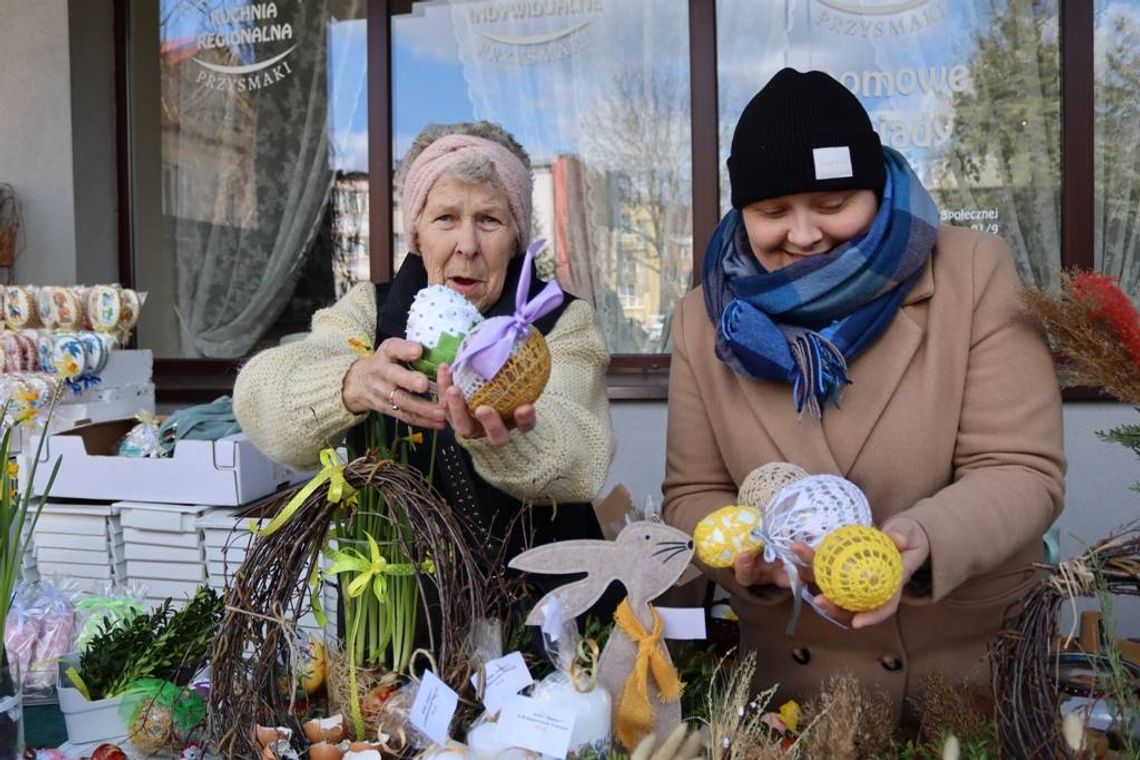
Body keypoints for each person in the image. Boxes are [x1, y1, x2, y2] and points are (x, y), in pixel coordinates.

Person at [662, 69, 1065, 718]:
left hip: (962, 678)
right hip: (798, 691)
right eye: (772, 211)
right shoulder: (702, 318)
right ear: (743, 212)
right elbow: (690, 494)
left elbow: (1021, 469)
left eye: (832, 204)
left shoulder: (971, 274)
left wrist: (916, 543)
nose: (803, 234)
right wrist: (744, 556)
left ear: (876, 191)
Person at [234, 121, 615, 563]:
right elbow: (261, 398)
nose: (467, 245)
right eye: (446, 218)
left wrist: (510, 437)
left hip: (541, 609)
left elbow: (584, 457)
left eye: (489, 220)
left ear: (516, 240)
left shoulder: (560, 321)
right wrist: (353, 384)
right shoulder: (371, 312)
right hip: (402, 615)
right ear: (417, 233)